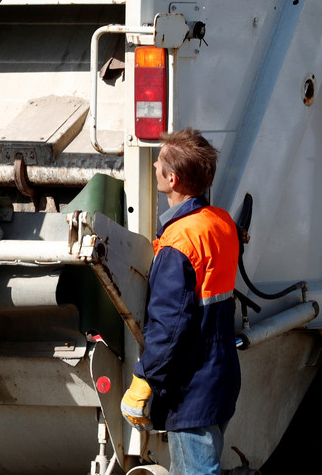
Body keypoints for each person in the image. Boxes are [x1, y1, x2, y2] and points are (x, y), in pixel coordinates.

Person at [120, 128, 241, 475]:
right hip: (219, 378)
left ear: (171, 179)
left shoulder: (179, 242)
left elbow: (170, 326)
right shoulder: (221, 223)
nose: (154, 163)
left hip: (192, 388)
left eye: (158, 162)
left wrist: (143, 381)